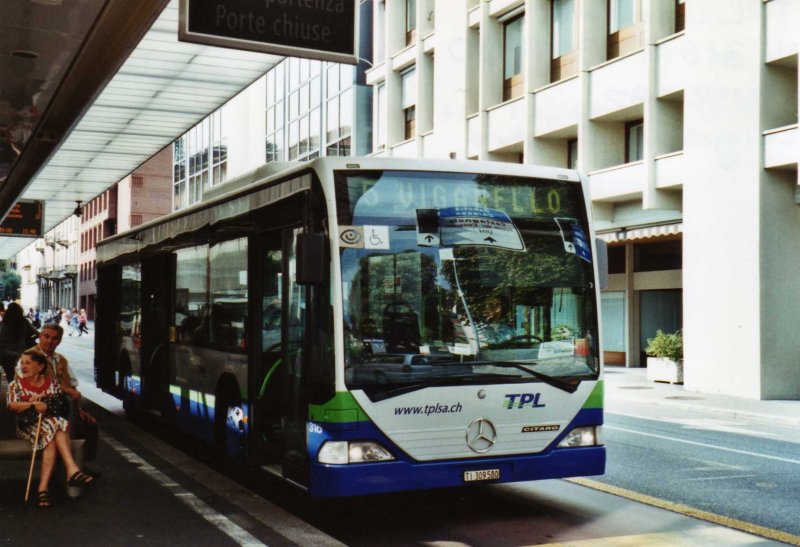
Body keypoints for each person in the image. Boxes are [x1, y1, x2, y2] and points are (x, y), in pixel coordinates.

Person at [6, 350, 94, 507]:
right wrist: (32, 404)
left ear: (40, 366)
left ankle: (43, 489)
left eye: (28, 362)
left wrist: (46, 400)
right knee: (57, 424)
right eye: (22, 363)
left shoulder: (52, 384)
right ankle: (71, 470)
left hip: (49, 427)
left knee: (53, 434)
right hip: (29, 427)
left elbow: (58, 406)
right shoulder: (16, 384)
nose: (23, 366)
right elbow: (12, 405)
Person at [0, 302, 38, 383]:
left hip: (6, 356)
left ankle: (12, 390)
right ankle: (22, 391)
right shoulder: (24, 322)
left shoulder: (4, 324)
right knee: (23, 376)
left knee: (10, 376)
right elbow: (36, 333)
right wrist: (28, 339)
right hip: (21, 354)